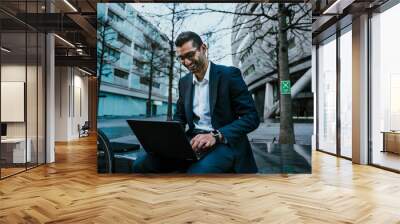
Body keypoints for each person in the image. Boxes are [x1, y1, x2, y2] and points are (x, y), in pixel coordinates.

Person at [133, 31, 260, 173]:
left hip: (223, 143)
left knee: (196, 174)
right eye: (181, 58)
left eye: (190, 55)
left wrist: (216, 135)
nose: (186, 62)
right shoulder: (184, 82)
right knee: (142, 163)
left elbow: (251, 118)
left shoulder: (229, 75)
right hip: (192, 142)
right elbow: (180, 117)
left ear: (203, 49)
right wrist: (164, 139)